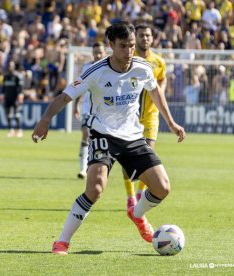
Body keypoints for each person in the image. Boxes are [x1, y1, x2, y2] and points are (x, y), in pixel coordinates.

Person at [32, 21, 186, 255]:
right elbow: (64, 97)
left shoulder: (143, 68)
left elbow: (155, 91)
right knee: (95, 189)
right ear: (111, 45)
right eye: (123, 46)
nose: (129, 51)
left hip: (133, 137)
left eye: (132, 46)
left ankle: (136, 214)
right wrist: (44, 121)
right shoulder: (95, 71)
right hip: (103, 134)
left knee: (163, 188)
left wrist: (172, 123)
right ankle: (62, 241)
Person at [122, 23, 168, 210]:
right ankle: (130, 195)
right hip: (128, 117)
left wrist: (160, 91)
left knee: (148, 155)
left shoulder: (158, 61)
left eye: (148, 35)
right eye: (142, 35)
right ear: (135, 38)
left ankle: (141, 193)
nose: (145, 39)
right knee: (127, 159)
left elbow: (162, 78)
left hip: (150, 115)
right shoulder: (127, 60)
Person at [73, 42, 107, 179]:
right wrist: (76, 104)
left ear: (105, 53)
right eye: (95, 52)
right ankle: (83, 169)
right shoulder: (87, 67)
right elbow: (81, 86)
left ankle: (98, 167)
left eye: (100, 52)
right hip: (88, 108)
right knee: (86, 133)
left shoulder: (109, 67)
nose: (98, 55)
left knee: (102, 139)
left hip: (105, 110)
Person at [0, 61, 24, 138]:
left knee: (16, 114)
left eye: (11, 66)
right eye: (9, 66)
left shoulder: (17, 76)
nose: (10, 67)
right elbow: (3, 87)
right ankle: (11, 130)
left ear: (14, 67)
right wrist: (2, 95)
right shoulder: (5, 77)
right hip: (7, 97)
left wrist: (20, 95)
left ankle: (19, 130)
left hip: (15, 98)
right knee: (8, 115)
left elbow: (20, 88)